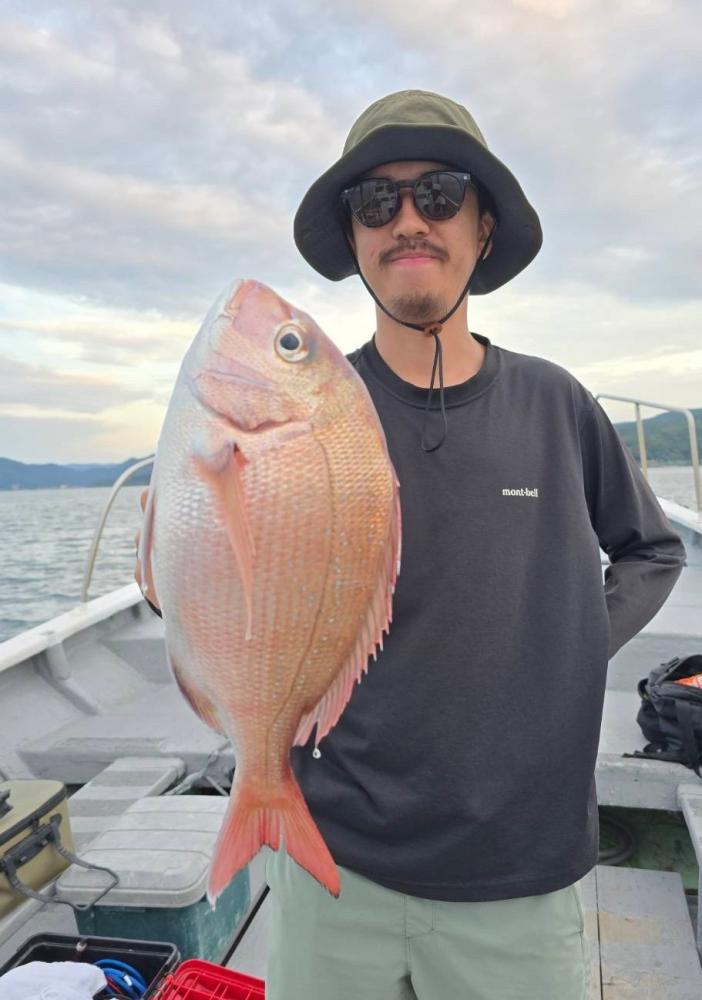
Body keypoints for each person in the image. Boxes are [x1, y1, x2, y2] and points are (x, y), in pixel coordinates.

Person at [135, 90, 687, 999]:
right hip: (334, 858)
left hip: (518, 867)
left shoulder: (554, 404)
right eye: (373, 202)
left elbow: (652, 552)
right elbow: (217, 587)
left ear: (483, 226)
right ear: (354, 240)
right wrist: (174, 559)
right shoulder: (313, 417)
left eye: (439, 193)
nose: (407, 220)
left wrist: (572, 636)